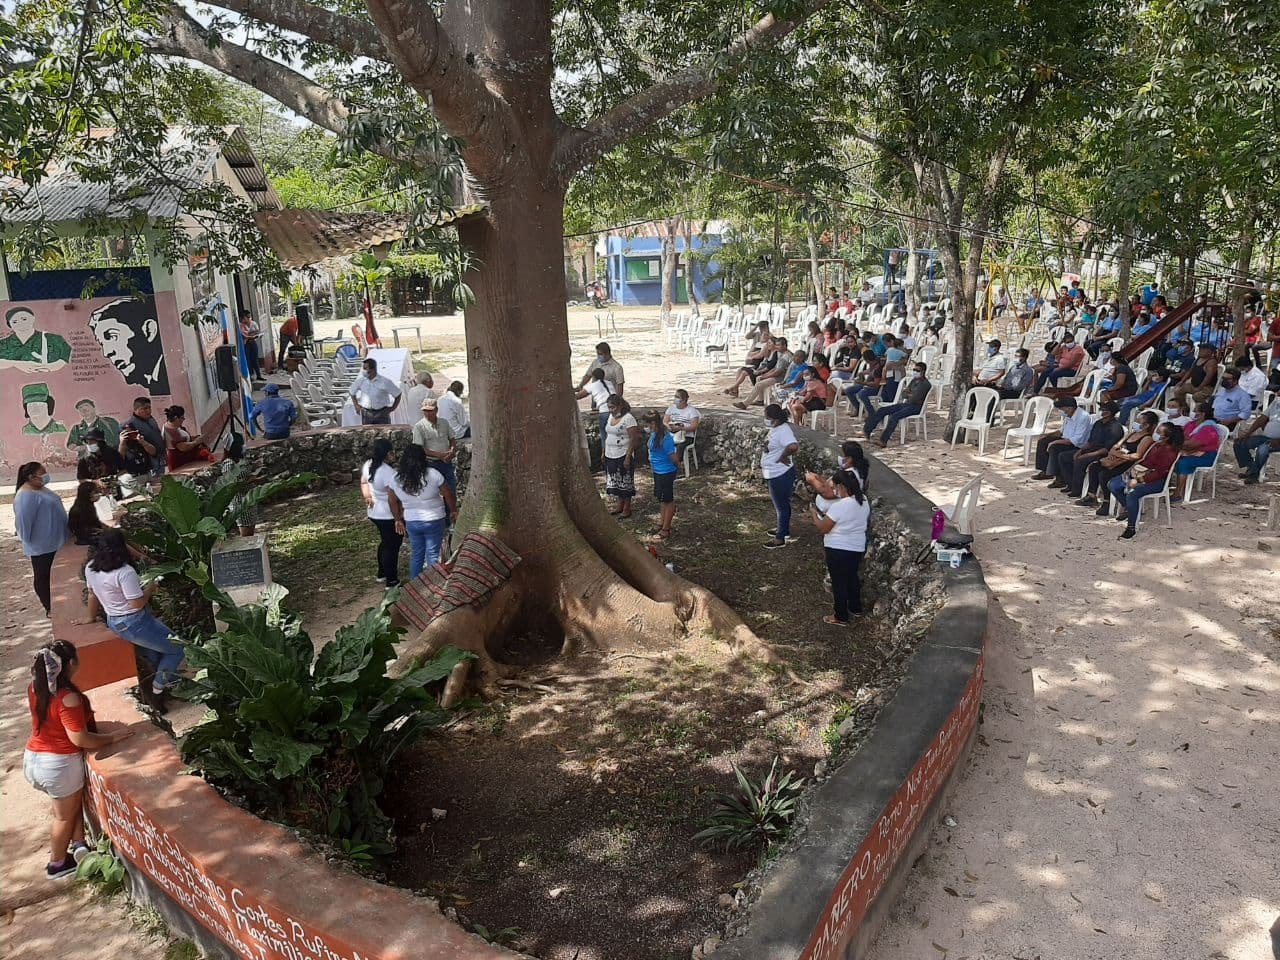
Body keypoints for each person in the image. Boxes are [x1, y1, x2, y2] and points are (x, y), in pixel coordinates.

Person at [24, 641, 132, 879]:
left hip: (34, 759)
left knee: (69, 805)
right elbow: (80, 738)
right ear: (71, 663)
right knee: (63, 817)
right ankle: (57, 864)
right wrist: (112, 737)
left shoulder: (35, 687)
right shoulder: (68, 698)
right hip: (58, 765)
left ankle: (79, 844)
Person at [80, 529, 186, 697]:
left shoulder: (90, 568)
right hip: (136, 622)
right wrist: (151, 587)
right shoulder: (125, 572)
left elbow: (92, 594)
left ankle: (169, 680)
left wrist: (90, 617)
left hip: (115, 621)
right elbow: (136, 604)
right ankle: (159, 686)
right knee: (178, 648)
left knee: (154, 652)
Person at [809, 469, 870, 627]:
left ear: (842, 486)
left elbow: (823, 528)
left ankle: (840, 616)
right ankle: (855, 607)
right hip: (856, 547)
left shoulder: (840, 506)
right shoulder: (863, 501)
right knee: (852, 577)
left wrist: (814, 515)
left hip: (837, 548)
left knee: (839, 582)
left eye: (835, 487)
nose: (834, 491)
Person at [386, 444, 458, 579]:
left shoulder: (396, 478)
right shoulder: (433, 474)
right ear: (423, 458)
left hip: (412, 521)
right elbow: (448, 494)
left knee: (416, 554)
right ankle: (433, 584)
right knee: (433, 554)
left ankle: (415, 584)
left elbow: (391, 501)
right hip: (434, 519)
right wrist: (453, 510)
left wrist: (397, 519)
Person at [1108, 422, 1184, 539]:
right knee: (1113, 484)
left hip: (1156, 481)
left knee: (1132, 493)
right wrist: (1131, 472)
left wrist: (1139, 480)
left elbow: (1159, 473)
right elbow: (1144, 461)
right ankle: (1129, 508)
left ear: (1166, 437)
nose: (1155, 434)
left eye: (1159, 432)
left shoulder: (1169, 452)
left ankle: (1131, 527)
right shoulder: (1156, 445)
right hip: (1140, 473)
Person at [1077, 411, 1159, 511]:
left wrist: (1121, 455)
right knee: (1094, 467)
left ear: (1146, 425)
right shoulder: (1132, 433)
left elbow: (1138, 455)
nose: (1136, 423)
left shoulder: (1147, 438)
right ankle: (1091, 496)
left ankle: (1107, 502)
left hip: (1128, 464)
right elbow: (1116, 446)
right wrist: (1115, 452)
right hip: (1117, 459)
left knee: (1104, 474)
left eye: (1138, 421)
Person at [14, 462, 68, 615]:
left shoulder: (40, 488)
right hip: (42, 546)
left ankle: (60, 604)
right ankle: (50, 608)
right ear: (31, 477)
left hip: (57, 541)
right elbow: (23, 524)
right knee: (43, 577)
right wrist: (29, 543)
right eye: (42, 472)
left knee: (57, 576)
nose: (46, 475)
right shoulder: (25, 496)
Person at [87, 297, 169, 394]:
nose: (106, 353)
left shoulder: (168, 375)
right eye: (102, 343)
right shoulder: (157, 383)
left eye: (112, 336)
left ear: (149, 331)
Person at [1060, 401, 1125, 497]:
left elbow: (1107, 449)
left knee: (1081, 461)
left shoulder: (1115, 428)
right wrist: (1081, 451)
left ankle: (1077, 490)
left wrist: (1088, 455)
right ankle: (1070, 484)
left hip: (1102, 454)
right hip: (1092, 449)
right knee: (1064, 456)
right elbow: (1090, 442)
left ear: (1109, 412)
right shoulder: (1098, 423)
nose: (1101, 411)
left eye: (1103, 409)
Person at [361, 439, 401, 586]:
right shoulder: (389, 473)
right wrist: (398, 518)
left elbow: (363, 482)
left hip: (374, 512)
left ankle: (382, 573)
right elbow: (393, 500)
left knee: (385, 543)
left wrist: (368, 497)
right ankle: (392, 580)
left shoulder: (368, 464)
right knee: (392, 546)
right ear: (388, 453)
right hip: (388, 515)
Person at [864, 361, 931, 447]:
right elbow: (904, 394)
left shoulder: (925, 384)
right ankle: (867, 430)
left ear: (923, 371)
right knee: (882, 410)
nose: (915, 372)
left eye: (917, 370)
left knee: (894, 417)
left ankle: (883, 440)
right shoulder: (914, 380)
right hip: (907, 404)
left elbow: (915, 398)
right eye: (914, 370)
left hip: (916, 407)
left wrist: (909, 394)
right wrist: (910, 394)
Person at [761, 404, 799, 549]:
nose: (765, 419)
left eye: (767, 417)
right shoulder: (776, 428)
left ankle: (780, 538)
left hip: (779, 473)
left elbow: (793, 446)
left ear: (775, 419)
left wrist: (783, 456)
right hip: (774, 472)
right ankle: (783, 529)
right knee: (782, 504)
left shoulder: (783, 431)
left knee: (781, 506)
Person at [1031, 397, 1093, 482]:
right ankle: (1045, 471)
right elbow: (1061, 431)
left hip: (1077, 445)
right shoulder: (1068, 415)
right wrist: (1047, 435)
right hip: (1066, 439)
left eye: (1062, 408)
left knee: (1055, 447)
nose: (1061, 411)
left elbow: (1076, 440)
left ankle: (1060, 478)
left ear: (1069, 408)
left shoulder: (1083, 417)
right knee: (1043, 441)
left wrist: (1054, 442)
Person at [1171, 403, 1221, 501]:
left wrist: (1174, 443)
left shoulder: (1208, 428)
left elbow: (1192, 444)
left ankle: (1179, 493)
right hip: (1189, 450)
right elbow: (1181, 436)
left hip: (1205, 456)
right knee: (1169, 456)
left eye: (1195, 410)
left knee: (1182, 462)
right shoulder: (1192, 424)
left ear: (1202, 414)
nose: (1192, 412)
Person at [0, 305, 72, 372]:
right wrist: (16, 364)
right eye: (15, 322)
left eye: (24, 319)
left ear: (33, 318)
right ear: (9, 325)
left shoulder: (53, 339)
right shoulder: (3, 344)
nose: (20, 324)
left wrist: (52, 367)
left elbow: (64, 356)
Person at [603, 395, 641, 518]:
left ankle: (627, 508)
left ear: (620, 405)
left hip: (623, 453)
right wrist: (604, 451)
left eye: (613, 407)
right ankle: (619, 505)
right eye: (609, 407)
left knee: (625, 481)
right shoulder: (610, 417)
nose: (611, 410)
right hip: (610, 453)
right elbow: (608, 434)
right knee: (616, 481)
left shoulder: (628, 419)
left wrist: (628, 456)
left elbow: (633, 439)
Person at [644, 412, 680, 538]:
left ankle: (666, 528)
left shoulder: (666, 437)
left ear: (653, 423)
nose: (646, 426)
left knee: (668, 499)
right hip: (657, 470)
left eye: (648, 424)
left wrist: (677, 466)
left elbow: (673, 457)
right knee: (662, 499)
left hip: (666, 471)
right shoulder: (654, 434)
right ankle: (662, 522)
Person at [411, 397, 459, 492]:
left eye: (430, 411)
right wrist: (440, 455)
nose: (428, 413)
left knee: (450, 488)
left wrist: (452, 451)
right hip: (430, 463)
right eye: (425, 411)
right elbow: (419, 448)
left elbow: (452, 438)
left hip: (446, 462)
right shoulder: (419, 427)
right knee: (432, 490)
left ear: (436, 410)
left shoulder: (444, 422)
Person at [1233, 391, 1280, 484]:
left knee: (1262, 450)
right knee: (1239, 443)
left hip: (1278, 441)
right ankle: (1251, 468)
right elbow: (1262, 418)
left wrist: (1278, 440)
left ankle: (1254, 475)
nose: (1278, 392)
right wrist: (1248, 433)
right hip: (1266, 437)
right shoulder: (1276, 402)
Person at [119, 397, 166, 476]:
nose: (148, 411)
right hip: (148, 465)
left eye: (149, 407)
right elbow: (127, 449)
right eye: (144, 408)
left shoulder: (151, 420)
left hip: (160, 460)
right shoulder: (129, 425)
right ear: (136, 409)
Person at [349, 357, 402, 425]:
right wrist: (356, 405)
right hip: (366, 414)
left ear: (373, 370)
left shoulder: (385, 382)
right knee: (367, 431)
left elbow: (398, 394)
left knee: (384, 431)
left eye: (365, 368)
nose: (363, 371)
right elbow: (352, 392)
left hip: (382, 413)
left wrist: (392, 408)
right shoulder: (361, 381)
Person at [162, 406, 212, 471]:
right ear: (176, 418)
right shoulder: (171, 431)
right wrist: (196, 442)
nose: (183, 420)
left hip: (186, 457)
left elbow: (184, 438)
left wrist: (194, 438)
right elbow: (182, 447)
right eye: (182, 418)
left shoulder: (174, 425)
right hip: (178, 459)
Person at [576, 368, 617, 436]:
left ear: (593, 377)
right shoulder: (609, 383)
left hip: (605, 411)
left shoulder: (592, 386)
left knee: (604, 433)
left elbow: (578, 396)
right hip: (617, 410)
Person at [664, 389, 700, 461]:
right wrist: (669, 426)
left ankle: (676, 463)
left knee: (679, 447)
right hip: (672, 434)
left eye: (677, 397)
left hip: (686, 436)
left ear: (683, 400)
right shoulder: (671, 408)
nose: (675, 398)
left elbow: (694, 426)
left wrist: (681, 428)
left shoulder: (692, 411)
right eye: (675, 396)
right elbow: (665, 421)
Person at [67, 481, 108, 545]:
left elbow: (95, 522)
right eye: (95, 492)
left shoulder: (87, 505)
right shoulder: (80, 509)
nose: (98, 494)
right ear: (88, 494)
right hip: (86, 537)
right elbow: (87, 527)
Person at [239, 309, 263, 379]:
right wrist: (252, 335)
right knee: (248, 359)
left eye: (249, 317)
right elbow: (244, 335)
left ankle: (258, 375)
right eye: (247, 317)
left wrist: (251, 335)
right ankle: (251, 375)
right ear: (243, 317)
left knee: (255, 359)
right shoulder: (241, 325)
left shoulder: (253, 323)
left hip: (252, 342)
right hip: (246, 343)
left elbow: (257, 332)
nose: (249, 319)